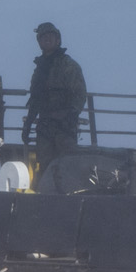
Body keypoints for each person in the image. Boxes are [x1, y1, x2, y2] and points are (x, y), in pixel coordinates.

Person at [22, 22, 88, 177]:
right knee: (45, 167)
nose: (47, 39)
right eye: (43, 37)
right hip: (45, 126)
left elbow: (79, 94)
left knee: (68, 165)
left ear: (58, 40)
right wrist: (28, 124)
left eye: (51, 36)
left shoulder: (68, 65)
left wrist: (71, 116)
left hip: (64, 125)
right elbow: (35, 99)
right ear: (39, 42)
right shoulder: (39, 70)